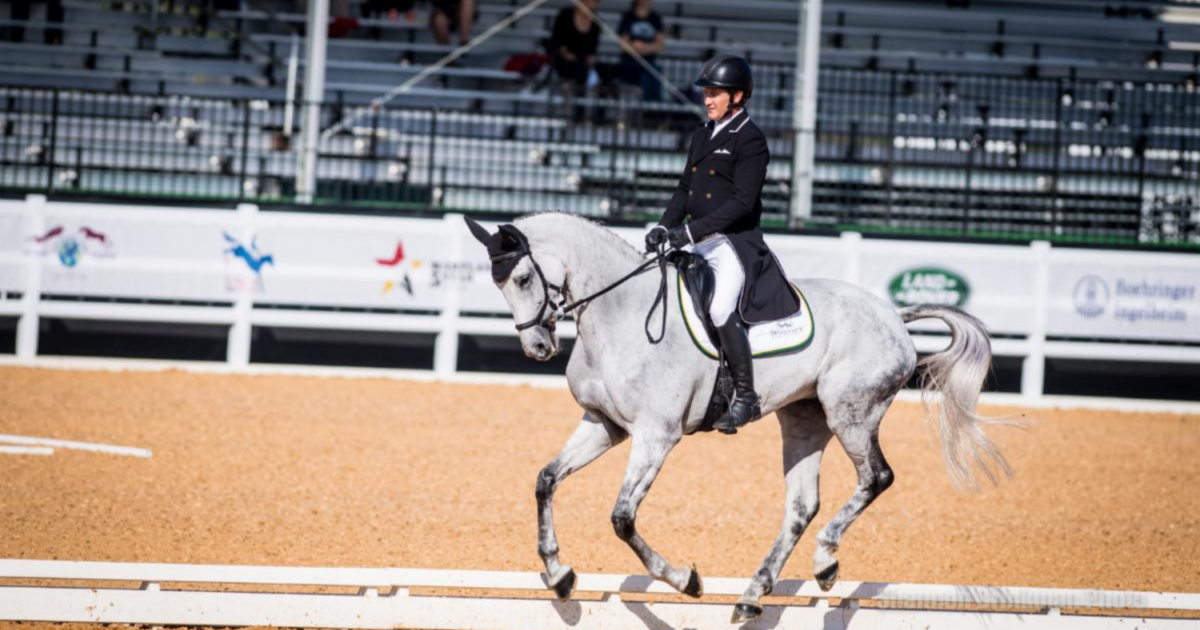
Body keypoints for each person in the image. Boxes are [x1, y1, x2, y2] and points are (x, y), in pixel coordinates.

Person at [645, 55, 800, 435]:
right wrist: (665, 226)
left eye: (715, 94)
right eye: (707, 93)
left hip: (732, 243)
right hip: (699, 238)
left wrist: (692, 233)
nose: (707, 100)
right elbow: (685, 188)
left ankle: (746, 396)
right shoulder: (702, 133)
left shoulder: (751, 140)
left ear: (738, 96)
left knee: (717, 309)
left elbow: (741, 203)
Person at [547, 0, 601, 97]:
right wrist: (564, 52)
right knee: (577, 69)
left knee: (603, 72)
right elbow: (556, 40)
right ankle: (576, 101)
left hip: (582, 60)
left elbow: (593, 47)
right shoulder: (565, 15)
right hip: (564, 59)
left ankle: (595, 108)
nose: (590, 4)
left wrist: (591, 57)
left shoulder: (596, 21)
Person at [614, 0, 664, 102]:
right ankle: (648, 105)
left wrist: (640, 47)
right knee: (644, 75)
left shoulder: (655, 18)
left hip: (649, 62)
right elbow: (623, 46)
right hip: (629, 62)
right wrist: (643, 48)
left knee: (654, 72)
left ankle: (653, 105)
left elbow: (659, 46)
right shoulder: (628, 17)